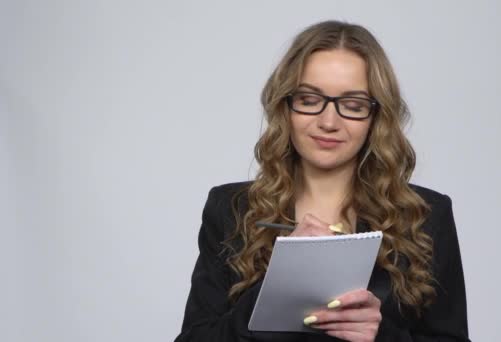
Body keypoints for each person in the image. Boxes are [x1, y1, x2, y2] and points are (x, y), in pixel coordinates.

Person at [174, 20, 470, 342]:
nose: (329, 122)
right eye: (309, 100)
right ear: (285, 106)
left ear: (376, 117)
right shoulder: (230, 209)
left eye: (353, 106)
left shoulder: (426, 214)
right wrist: (277, 288)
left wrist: (380, 335)